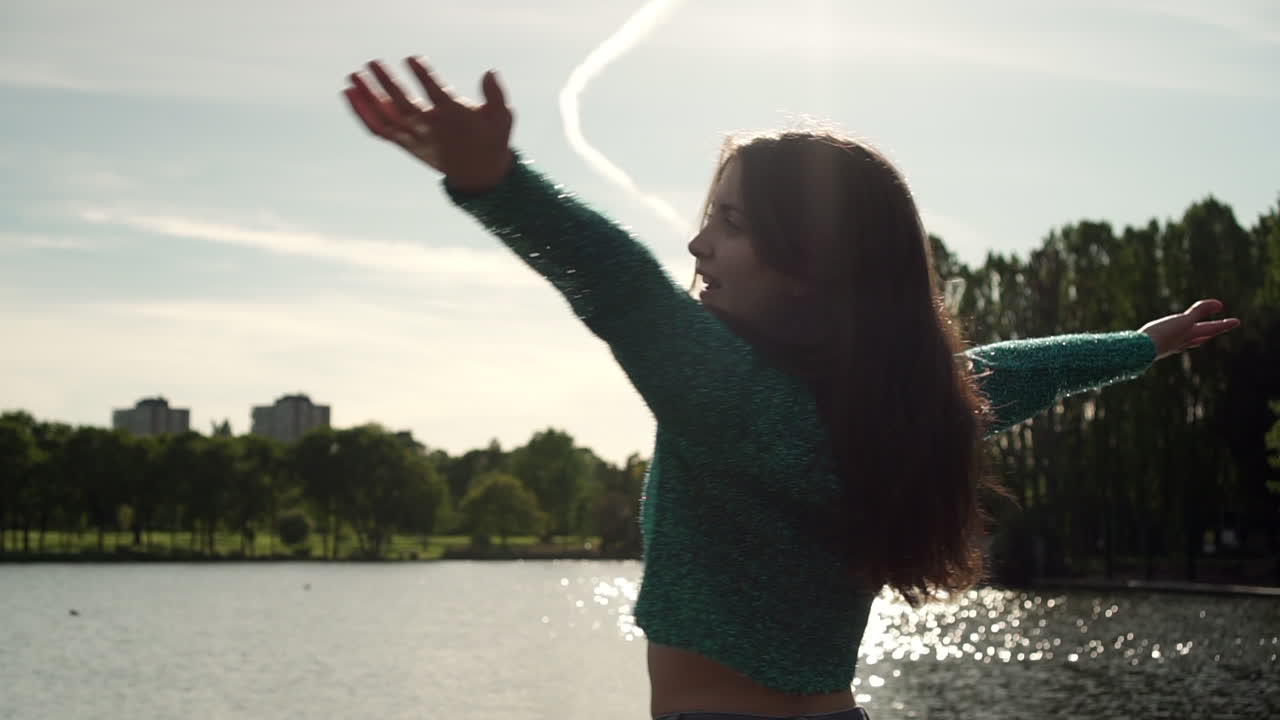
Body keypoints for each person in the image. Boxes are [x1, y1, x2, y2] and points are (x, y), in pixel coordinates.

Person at [341, 58, 1241, 720]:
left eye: (728, 225)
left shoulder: (729, 397)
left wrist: (496, 182)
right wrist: (1140, 344)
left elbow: (616, 283)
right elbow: (1007, 373)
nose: (696, 247)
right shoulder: (897, 410)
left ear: (812, 266)